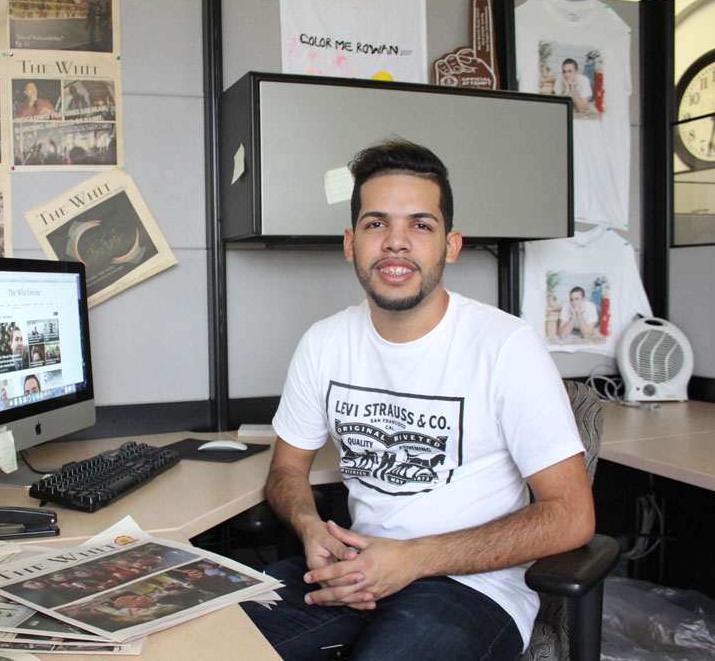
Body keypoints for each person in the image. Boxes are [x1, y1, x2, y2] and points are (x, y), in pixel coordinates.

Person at [240, 138, 594, 660]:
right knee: (195, 638)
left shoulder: (506, 346)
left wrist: (412, 559)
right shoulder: (324, 343)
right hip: (355, 567)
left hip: (470, 588)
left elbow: (570, 515)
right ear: (350, 242)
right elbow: (286, 471)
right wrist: (310, 526)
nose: (396, 242)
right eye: (376, 223)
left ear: (450, 245)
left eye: (420, 225)